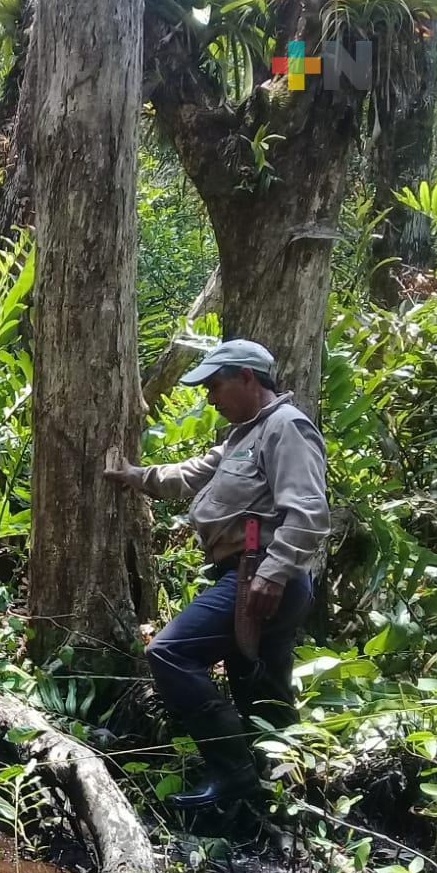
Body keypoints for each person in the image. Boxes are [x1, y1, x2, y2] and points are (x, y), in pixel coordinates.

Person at [104, 339, 329, 809]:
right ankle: (283, 794)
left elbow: (308, 512)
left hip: (263, 577)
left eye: (215, 385)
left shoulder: (287, 428)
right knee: (258, 685)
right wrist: (134, 475)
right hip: (252, 575)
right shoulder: (241, 436)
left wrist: (272, 573)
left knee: (169, 653)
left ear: (248, 378)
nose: (210, 396)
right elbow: (190, 474)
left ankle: (234, 777)